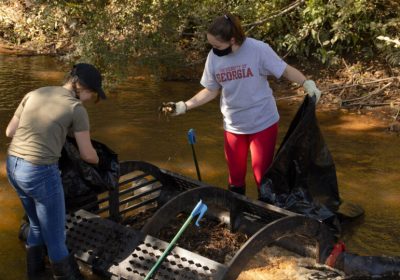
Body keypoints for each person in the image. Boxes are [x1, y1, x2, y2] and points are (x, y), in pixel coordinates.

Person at [164, 13, 321, 196]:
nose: (213, 49)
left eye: (217, 45)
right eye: (211, 45)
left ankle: (265, 214)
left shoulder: (258, 50)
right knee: (235, 177)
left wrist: (306, 83)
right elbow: (211, 90)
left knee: (262, 177)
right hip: (233, 125)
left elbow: (284, 70)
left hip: (262, 123)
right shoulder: (214, 57)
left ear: (232, 40)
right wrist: (184, 105)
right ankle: (237, 214)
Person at [5, 63, 107, 280]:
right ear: (82, 88)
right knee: (56, 240)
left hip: (13, 166)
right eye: (92, 93)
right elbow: (88, 155)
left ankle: (35, 275)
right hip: (39, 172)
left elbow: (10, 131)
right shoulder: (75, 108)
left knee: (35, 224)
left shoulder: (36, 93)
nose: (90, 99)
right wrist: (102, 161)